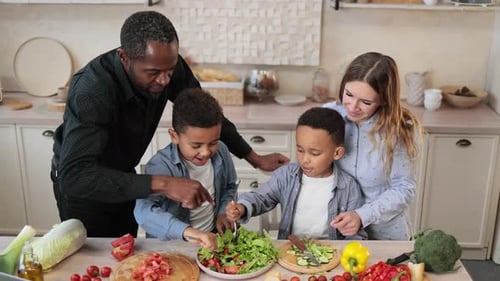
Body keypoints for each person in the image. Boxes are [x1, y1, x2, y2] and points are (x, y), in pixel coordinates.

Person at [50, 10, 289, 237]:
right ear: (125, 58)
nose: (165, 80)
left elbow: (205, 113)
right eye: (153, 73)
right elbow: (76, 175)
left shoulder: (166, 67)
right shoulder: (92, 91)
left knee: (125, 252)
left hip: (124, 176)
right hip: (85, 188)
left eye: (170, 70)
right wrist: (164, 184)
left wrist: (253, 157)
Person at [324, 52, 424, 240]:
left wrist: (362, 216)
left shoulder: (401, 130)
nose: (353, 106)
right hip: (337, 232)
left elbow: (404, 188)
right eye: (349, 94)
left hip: (384, 235)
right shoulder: (328, 116)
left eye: (366, 102)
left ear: (384, 99)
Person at [226, 107, 367, 240]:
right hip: (290, 250)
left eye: (314, 153)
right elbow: (260, 197)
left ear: (337, 153)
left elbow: (356, 234)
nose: (304, 159)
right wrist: (242, 207)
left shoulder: (349, 187)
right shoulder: (286, 176)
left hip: (331, 254)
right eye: (300, 150)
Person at [134, 88, 236, 250]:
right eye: (196, 145)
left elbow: (230, 186)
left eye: (213, 142)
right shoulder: (160, 165)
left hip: (212, 238)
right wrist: (189, 232)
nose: (206, 152)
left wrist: (223, 212)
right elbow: (144, 212)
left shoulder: (222, 151)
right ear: (175, 136)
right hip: (174, 245)